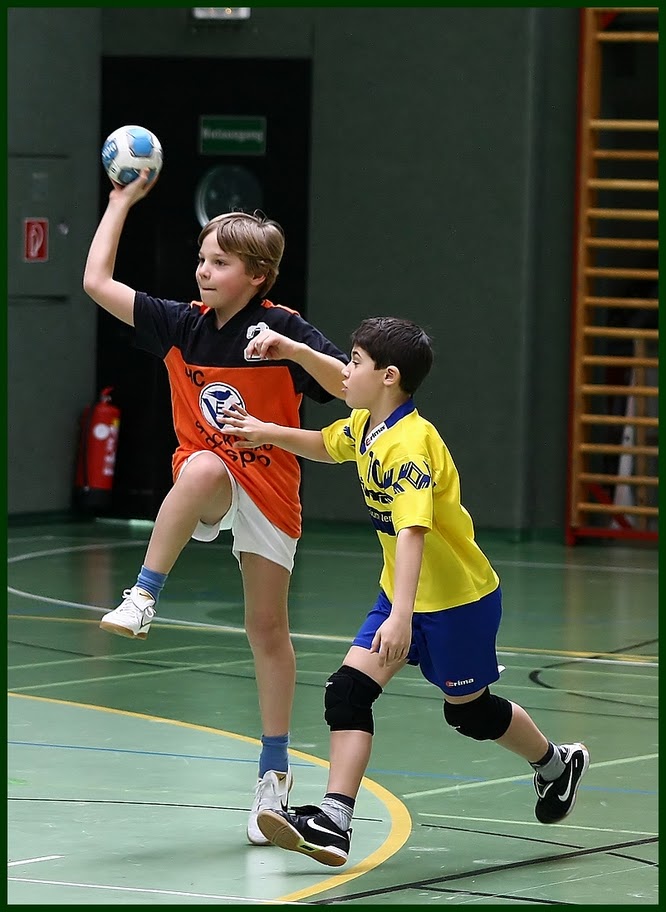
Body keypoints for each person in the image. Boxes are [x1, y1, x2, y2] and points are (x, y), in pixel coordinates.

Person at [220, 316, 590, 867]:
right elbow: (326, 444)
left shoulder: (411, 445)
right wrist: (264, 431)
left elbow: (412, 532)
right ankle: (334, 820)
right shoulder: (367, 424)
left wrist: (400, 617)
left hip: (456, 602)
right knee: (346, 693)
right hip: (401, 595)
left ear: (388, 376)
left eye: (355, 362)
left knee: (468, 714)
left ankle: (556, 764)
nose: (345, 371)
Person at [82, 169, 349, 845]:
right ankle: (143, 595)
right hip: (212, 476)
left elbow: (350, 387)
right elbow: (97, 284)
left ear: (258, 276)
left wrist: (293, 351)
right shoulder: (181, 326)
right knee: (201, 463)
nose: (204, 271)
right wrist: (119, 202)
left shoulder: (282, 329)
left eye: (220, 263)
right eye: (201, 260)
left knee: (267, 631)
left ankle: (274, 779)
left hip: (272, 485)